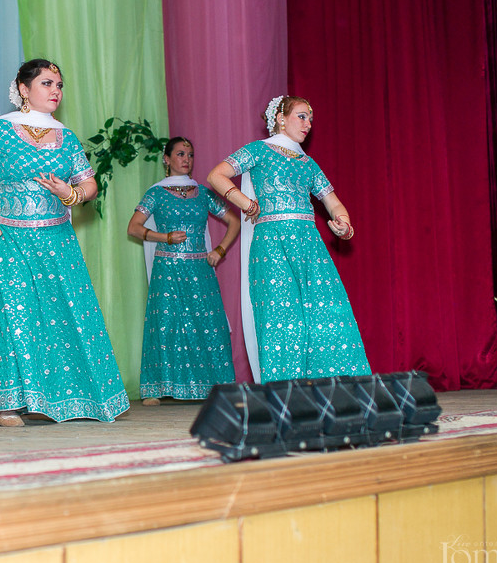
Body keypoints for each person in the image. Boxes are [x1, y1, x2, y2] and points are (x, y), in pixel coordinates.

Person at [0, 58, 130, 426]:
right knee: (18, 316)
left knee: (69, 315)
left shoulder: (66, 136)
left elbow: (90, 185)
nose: (56, 92)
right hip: (10, 237)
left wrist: (73, 193)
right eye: (47, 84)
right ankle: (10, 406)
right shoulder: (0, 130)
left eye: (59, 85)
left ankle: (75, 399)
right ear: (23, 89)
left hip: (58, 237)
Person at [207, 95, 370, 382]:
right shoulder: (258, 150)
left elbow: (333, 203)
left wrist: (344, 224)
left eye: (310, 118)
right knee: (283, 320)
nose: (308, 124)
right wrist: (244, 202)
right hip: (272, 244)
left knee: (328, 313)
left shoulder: (308, 164)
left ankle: (335, 388)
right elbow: (216, 175)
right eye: (301, 116)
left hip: (309, 245)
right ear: (280, 118)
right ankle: (286, 394)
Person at [128, 137, 240, 405]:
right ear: (166, 159)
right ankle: (156, 388)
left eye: (190, 154)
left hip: (200, 267)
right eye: (180, 154)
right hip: (167, 268)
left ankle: (214, 385)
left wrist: (220, 251)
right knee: (166, 325)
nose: (186, 159)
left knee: (208, 324)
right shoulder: (155, 193)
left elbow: (234, 222)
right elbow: (134, 228)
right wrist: (163, 237)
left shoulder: (203, 193)